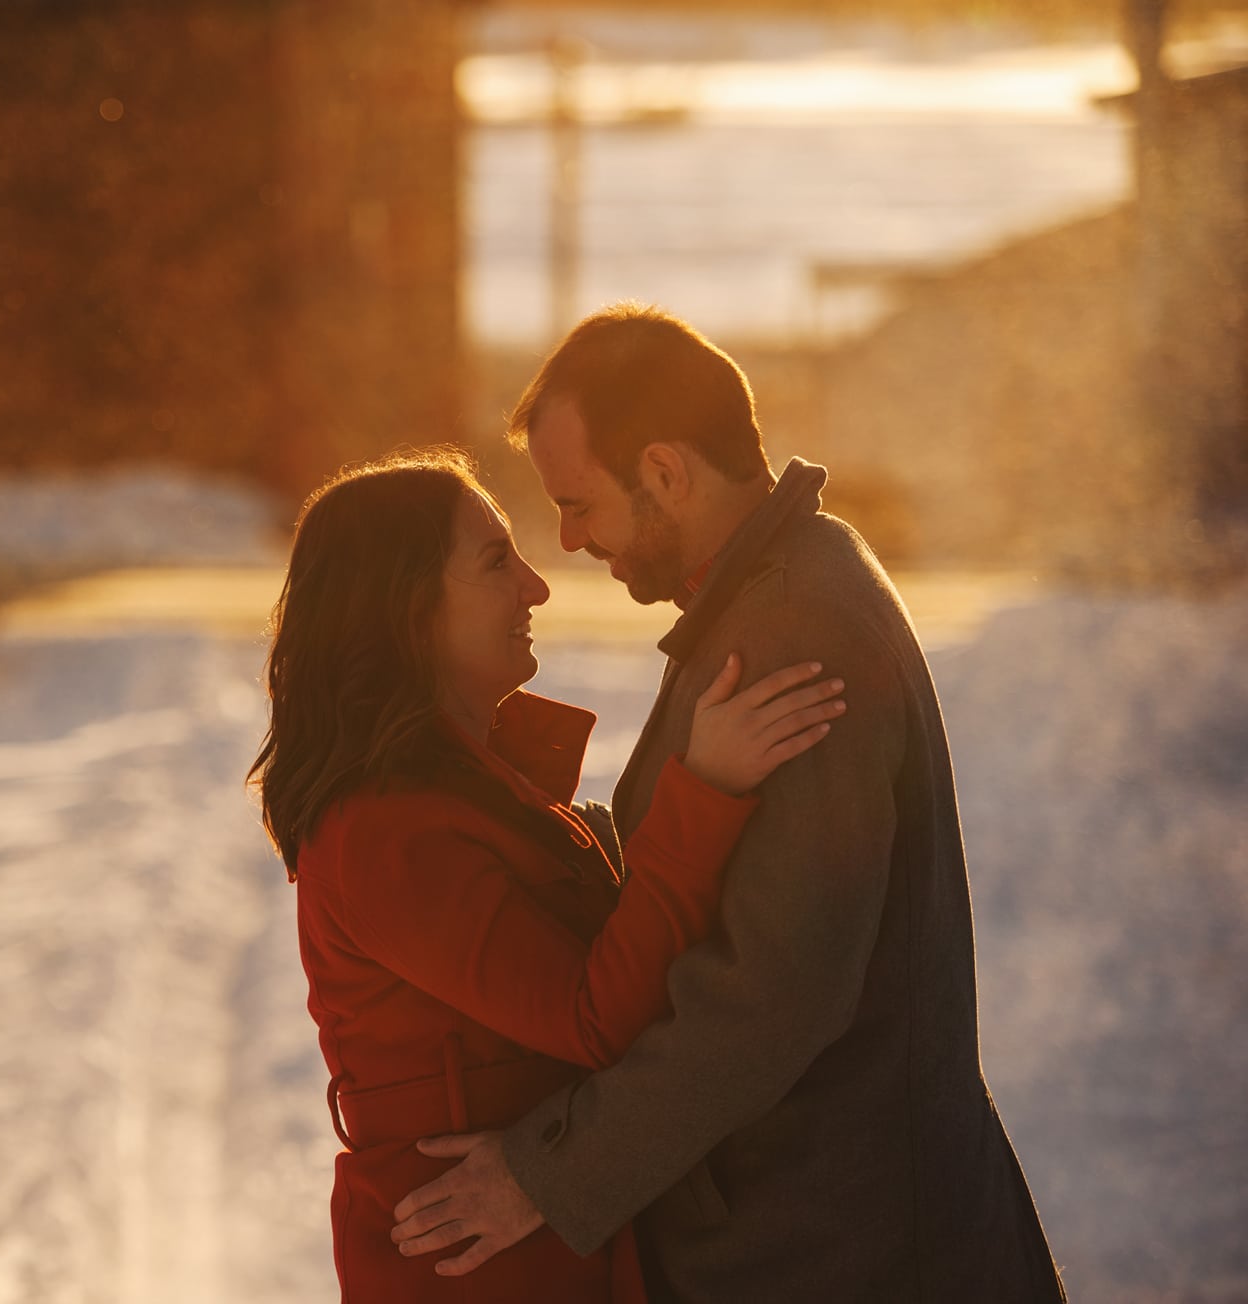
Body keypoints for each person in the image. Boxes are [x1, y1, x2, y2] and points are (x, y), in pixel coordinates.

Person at [387, 304, 1066, 1301]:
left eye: (578, 504)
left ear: (663, 471)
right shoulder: (765, 592)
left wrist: (547, 1173)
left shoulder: (791, 631)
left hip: (845, 1252)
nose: (569, 541)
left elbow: (766, 995)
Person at [249, 449, 848, 1300]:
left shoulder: (466, 794)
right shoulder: (383, 834)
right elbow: (592, 1016)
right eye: (497, 560)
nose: (537, 586)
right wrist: (703, 793)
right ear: (406, 607)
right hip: (480, 1269)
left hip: (543, 1250)